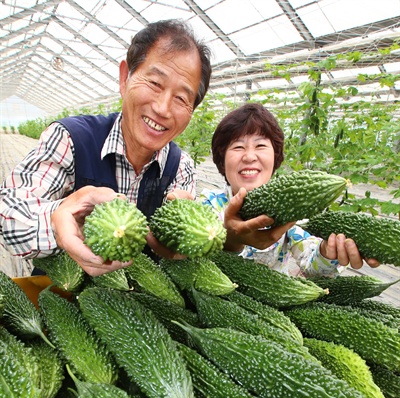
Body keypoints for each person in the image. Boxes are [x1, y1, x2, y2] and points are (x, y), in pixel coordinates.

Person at [0, 19, 211, 276]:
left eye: (181, 98)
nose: (163, 108)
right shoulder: (70, 139)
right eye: (155, 83)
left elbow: (182, 250)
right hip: (59, 299)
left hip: (133, 309)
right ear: (125, 78)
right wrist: (57, 219)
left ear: (191, 112)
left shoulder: (181, 168)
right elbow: (7, 209)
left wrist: (187, 240)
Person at [202, 103, 380, 277]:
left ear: (275, 157)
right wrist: (229, 242)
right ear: (222, 161)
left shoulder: (291, 209)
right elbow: (193, 262)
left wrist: (327, 251)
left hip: (273, 304)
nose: (249, 156)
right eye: (238, 147)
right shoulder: (208, 206)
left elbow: (312, 264)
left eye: (260, 146)